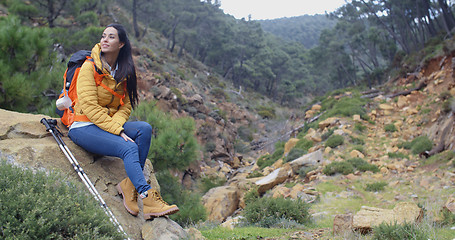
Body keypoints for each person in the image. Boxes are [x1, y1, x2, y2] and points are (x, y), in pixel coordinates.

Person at [67, 23, 179, 219]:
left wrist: (116, 126)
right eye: (103, 36)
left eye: (111, 37)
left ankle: (129, 187)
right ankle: (146, 195)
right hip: (83, 125)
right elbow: (90, 107)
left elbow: (125, 106)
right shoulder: (89, 67)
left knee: (144, 129)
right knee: (128, 147)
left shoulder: (123, 71)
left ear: (121, 44)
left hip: (106, 125)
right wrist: (117, 131)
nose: (104, 40)